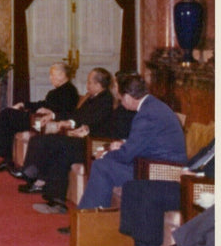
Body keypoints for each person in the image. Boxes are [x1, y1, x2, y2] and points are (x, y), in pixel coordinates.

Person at [77, 73, 187, 210]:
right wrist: (123, 145)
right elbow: (144, 143)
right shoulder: (152, 106)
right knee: (104, 165)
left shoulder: (147, 115)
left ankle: (88, 219)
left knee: (102, 166)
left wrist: (106, 153)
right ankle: (93, 217)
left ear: (128, 97)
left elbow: (127, 155)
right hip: (150, 163)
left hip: (158, 170)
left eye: (120, 98)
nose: (120, 101)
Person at [13, 68, 115, 213]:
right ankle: (54, 197)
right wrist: (57, 117)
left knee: (52, 144)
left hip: (89, 144)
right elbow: (76, 114)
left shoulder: (105, 100)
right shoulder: (92, 97)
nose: (86, 85)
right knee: (48, 144)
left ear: (98, 85)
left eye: (89, 82)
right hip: (79, 139)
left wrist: (72, 124)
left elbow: (91, 121)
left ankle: (32, 173)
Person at [107, 140, 214, 246]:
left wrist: (198, 176)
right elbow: (199, 157)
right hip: (186, 183)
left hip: (202, 188)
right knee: (132, 187)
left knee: (149, 195)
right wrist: (187, 169)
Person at [0, 62, 79, 173]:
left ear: (62, 75)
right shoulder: (56, 91)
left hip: (44, 122)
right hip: (38, 118)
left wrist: (51, 111)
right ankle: (6, 157)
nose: (50, 78)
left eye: (52, 74)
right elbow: (42, 104)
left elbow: (66, 110)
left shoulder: (70, 91)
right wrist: (24, 104)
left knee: (8, 114)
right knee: (8, 118)